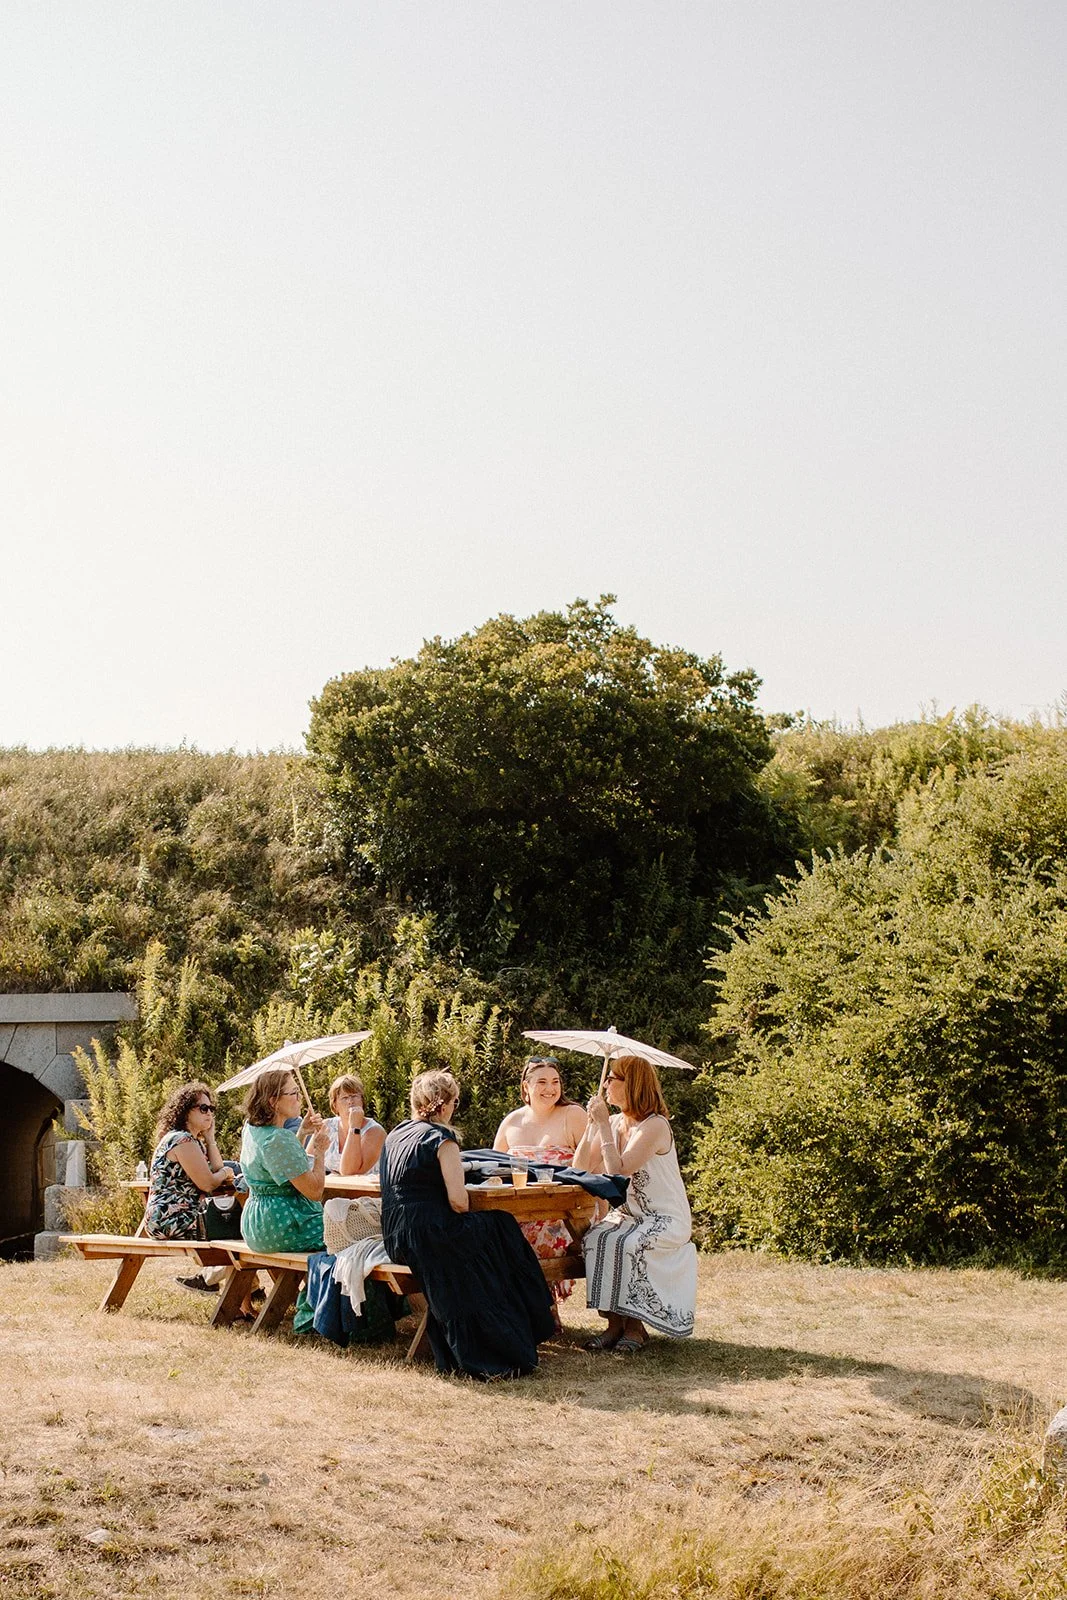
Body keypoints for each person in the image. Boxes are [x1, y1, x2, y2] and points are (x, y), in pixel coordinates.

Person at [380, 1069, 556, 1378]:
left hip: (396, 1237)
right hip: (431, 1234)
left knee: (490, 1236)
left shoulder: (396, 1134)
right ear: (446, 1104)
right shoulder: (441, 1139)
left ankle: (528, 1316)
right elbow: (459, 1202)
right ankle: (534, 1316)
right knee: (501, 1226)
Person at [575, 1053, 697, 1352]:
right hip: (630, 1215)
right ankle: (613, 1325)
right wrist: (592, 1125)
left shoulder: (655, 1126)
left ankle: (635, 1328)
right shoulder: (614, 1122)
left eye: (612, 1078)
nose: (606, 1083)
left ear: (632, 1085)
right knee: (596, 1238)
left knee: (629, 1244)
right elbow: (579, 1167)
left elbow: (618, 1169)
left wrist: (603, 1124)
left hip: (664, 1217)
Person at [145, 1082, 255, 1315]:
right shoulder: (181, 1140)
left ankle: (239, 1299)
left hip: (178, 1214)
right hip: (172, 1216)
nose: (209, 1113)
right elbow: (208, 1182)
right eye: (203, 1108)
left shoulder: (192, 1141)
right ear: (185, 1111)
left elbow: (214, 1167)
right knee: (239, 1228)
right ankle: (239, 1303)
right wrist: (225, 1173)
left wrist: (210, 1139)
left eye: (211, 1109)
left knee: (237, 1227)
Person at [493, 1057, 589, 1314]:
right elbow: (491, 1170)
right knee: (489, 1233)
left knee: (537, 1235)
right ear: (526, 1086)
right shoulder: (512, 1121)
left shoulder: (573, 1115)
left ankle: (542, 1312)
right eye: (542, 1082)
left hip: (562, 1210)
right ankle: (506, 1313)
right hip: (516, 1208)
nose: (550, 1088)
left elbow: (593, 1165)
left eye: (555, 1081)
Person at [239, 1068, 330, 1253]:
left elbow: (281, 1163)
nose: (300, 1098)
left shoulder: (251, 1129)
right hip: (285, 1225)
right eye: (294, 1093)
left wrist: (303, 1132)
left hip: (256, 1225)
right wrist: (320, 1151)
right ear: (274, 1102)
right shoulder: (278, 1138)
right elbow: (315, 1191)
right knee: (352, 1232)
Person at [326, 1072, 386, 1176]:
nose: (350, 1101)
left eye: (354, 1096)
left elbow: (350, 1172)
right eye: (344, 1098)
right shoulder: (326, 1126)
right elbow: (308, 1163)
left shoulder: (375, 1131)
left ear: (362, 1101)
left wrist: (354, 1127)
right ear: (335, 1105)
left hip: (366, 1191)